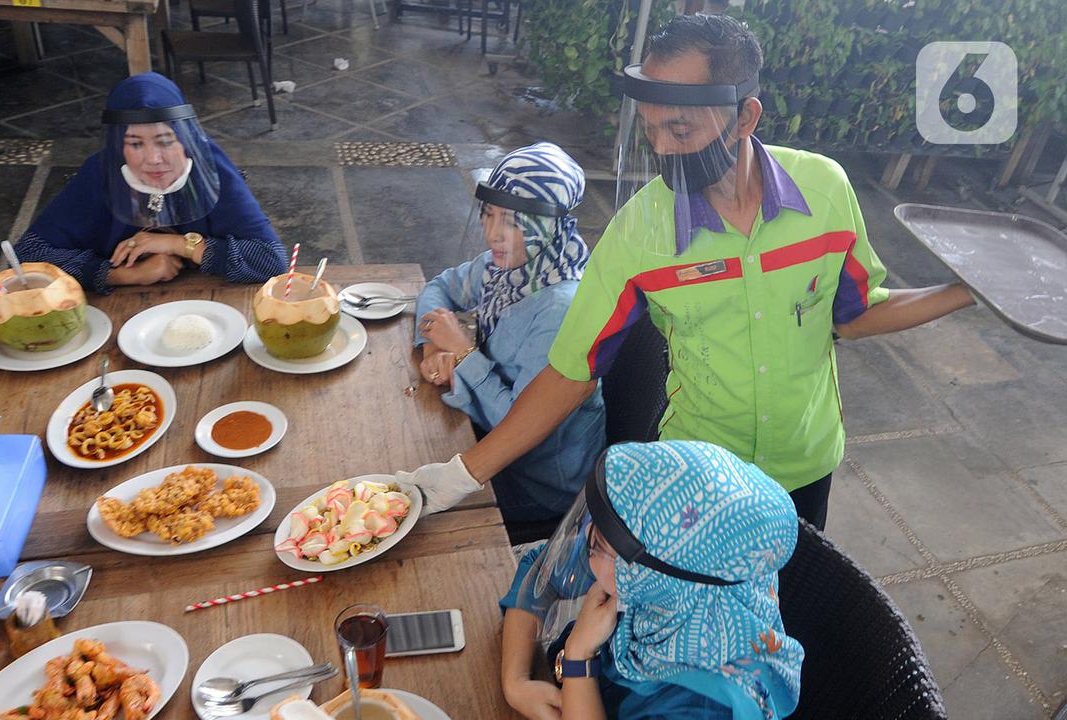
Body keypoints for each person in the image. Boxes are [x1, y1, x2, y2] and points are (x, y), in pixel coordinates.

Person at [399, 14, 977, 529]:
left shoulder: (825, 190)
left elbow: (853, 313)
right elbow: (570, 373)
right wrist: (458, 477)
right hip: (697, 477)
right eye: (651, 130)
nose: (663, 149)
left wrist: (966, 290)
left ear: (745, 116)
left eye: (681, 130)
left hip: (807, 465)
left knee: (785, 623)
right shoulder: (639, 232)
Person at [500, 441, 803, 720]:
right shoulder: (662, 570)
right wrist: (516, 682)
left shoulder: (710, 707)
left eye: (600, 545)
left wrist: (579, 657)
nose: (586, 548)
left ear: (659, 576)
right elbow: (541, 568)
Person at [413, 142, 605, 527]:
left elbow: (519, 427)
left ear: (550, 225)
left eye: (514, 223)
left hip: (540, 486)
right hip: (483, 436)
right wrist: (434, 347)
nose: (494, 235)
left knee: (415, 512)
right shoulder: (506, 267)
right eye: (488, 215)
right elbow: (439, 286)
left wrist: (464, 351)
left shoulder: (559, 310)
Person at [15, 72, 287, 294]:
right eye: (135, 144)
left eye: (165, 141)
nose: (154, 159)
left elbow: (272, 260)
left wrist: (180, 245)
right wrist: (122, 275)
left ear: (185, 138)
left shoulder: (212, 169)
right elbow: (28, 256)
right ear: (117, 148)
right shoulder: (100, 172)